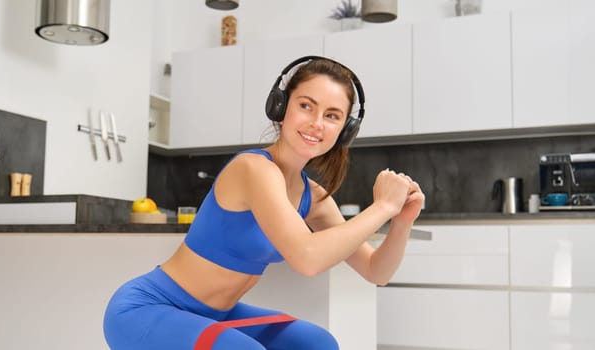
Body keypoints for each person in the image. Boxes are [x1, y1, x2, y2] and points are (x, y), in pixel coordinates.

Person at [103, 56, 425, 349]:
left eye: (332, 115)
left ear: (345, 130)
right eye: (306, 106)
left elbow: (375, 271)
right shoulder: (253, 169)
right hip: (148, 309)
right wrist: (382, 207)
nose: (317, 123)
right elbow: (307, 258)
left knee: (318, 344)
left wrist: (401, 220)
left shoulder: (313, 198)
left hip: (217, 316)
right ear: (281, 107)